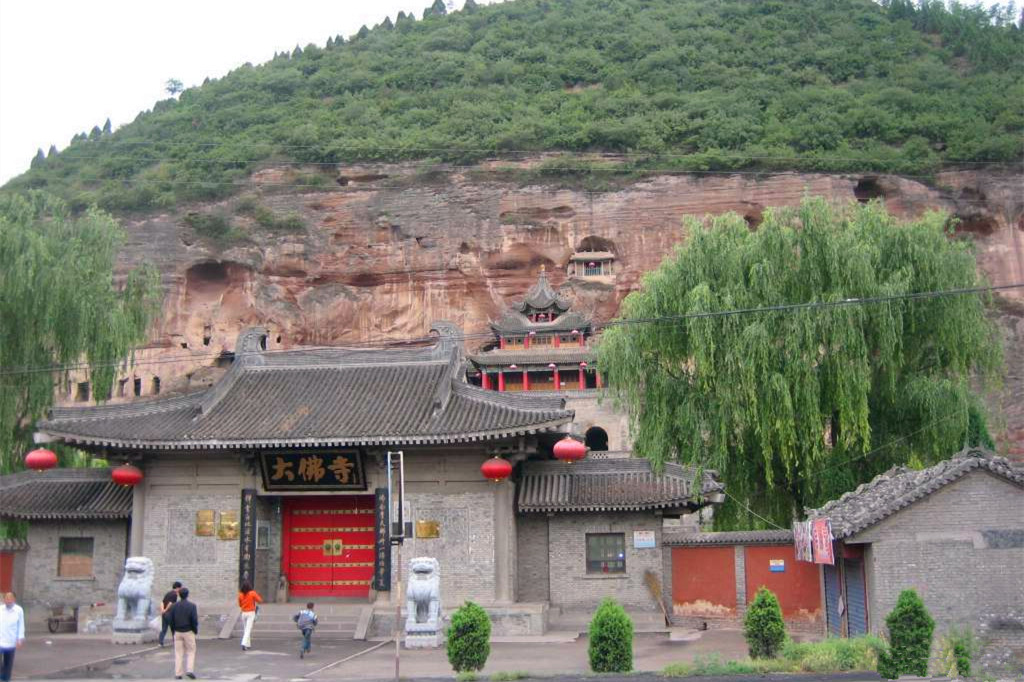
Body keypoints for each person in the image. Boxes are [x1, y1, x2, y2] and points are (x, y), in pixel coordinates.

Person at [169, 587, 198, 680]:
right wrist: (195, 630)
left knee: (178, 653)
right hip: (188, 631)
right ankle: (189, 670)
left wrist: (173, 631)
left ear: (179, 595)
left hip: (177, 632)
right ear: (187, 595)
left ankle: (178, 673)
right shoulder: (192, 606)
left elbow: (171, 620)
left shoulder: (174, 606)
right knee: (191, 651)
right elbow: (194, 620)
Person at [0, 593, 25, 682]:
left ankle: (5, 678)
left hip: (11, 640)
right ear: (4, 599)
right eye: (7, 598)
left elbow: (21, 625)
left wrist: (20, 639)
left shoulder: (18, 610)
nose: (8, 600)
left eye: (10, 598)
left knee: (8, 662)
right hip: (0, 640)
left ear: (14, 599)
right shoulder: (0, 609)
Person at [237, 582, 263, 651]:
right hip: (251, 613)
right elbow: (260, 600)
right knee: (248, 629)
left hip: (243, 613)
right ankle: (244, 643)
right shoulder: (252, 593)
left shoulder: (240, 594)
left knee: (245, 629)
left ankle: (248, 644)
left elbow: (239, 604)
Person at [159, 581, 182, 647]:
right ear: (178, 588)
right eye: (180, 588)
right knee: (174, 628)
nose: (180, 590)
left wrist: (162, 610)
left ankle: (160, 642)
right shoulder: (174, 594)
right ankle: (176, 642)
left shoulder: (168, 593)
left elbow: (162, 602)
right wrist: (166, 610)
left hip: (164, 614)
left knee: (164, 628)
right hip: (169, 614)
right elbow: (170, 603)